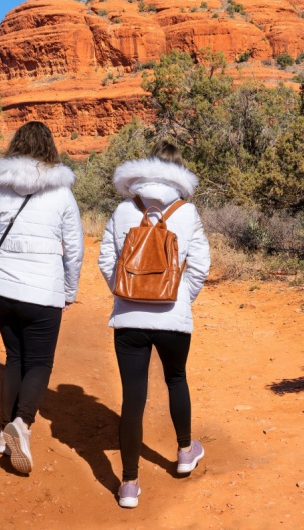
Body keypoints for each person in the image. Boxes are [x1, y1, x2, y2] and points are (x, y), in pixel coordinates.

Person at [0, 121, 82, 474]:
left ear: (15, 146)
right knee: (39, 362)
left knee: (15, 358)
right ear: (50, 149)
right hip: (43, 291)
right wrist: (70, 289)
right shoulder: (62, 193)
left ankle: (2, 432)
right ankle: (22, 425)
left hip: (3, 290)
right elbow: (73, 249)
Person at [98, 140, 211, 508]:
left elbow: (106, 261)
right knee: (175, 378)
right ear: (180, 172)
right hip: (172, 319)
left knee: (134, 397)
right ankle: (183, 452)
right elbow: (199, 266)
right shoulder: (186, 212)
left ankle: (129, 484)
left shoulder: (122, 210)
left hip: (129, 319)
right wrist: (178, 299)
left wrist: (127, 294)